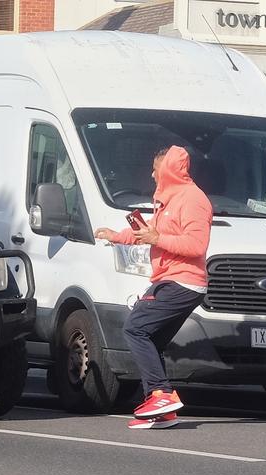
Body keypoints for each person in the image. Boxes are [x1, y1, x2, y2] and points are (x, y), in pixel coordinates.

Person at [95, 146, 212, 430]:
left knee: (136, 328)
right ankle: (161, 407)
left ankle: (160, 395)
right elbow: (149, 233)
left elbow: (196, 245)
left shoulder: (193, 199)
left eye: (155, 168)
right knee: (152, 339)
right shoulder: (167, 198)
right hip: (169, 277)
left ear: (169, 170)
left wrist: (157, 237)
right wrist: (118, 236)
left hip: (183, 280)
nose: (151, 173)